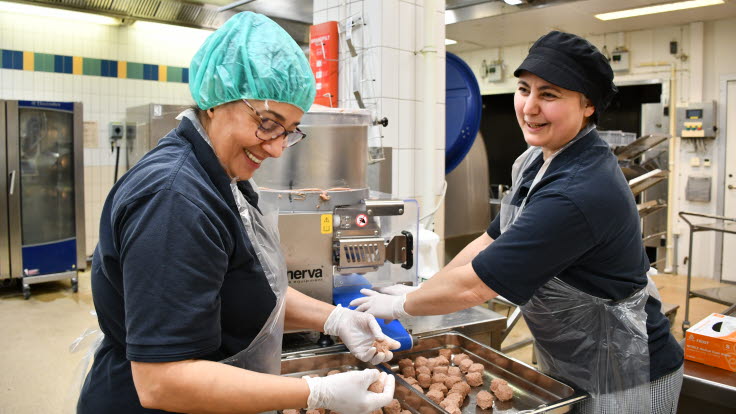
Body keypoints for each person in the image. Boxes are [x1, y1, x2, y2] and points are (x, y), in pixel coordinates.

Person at [78, 12, 397, 414]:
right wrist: (315, 393)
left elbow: (242, 285)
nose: (278, 148)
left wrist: (334, 319)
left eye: (290, 131)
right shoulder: (175, 199)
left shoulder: (221, 176)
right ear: (214, 101)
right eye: (267, 123)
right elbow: (162, 382)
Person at [351, 31, 684, 413]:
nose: (529, 107)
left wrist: (403, 306)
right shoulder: (539, 161)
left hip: (629, 374)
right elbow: (488, 242)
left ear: (588, 104)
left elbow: (476, 286)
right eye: (524, 89)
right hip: (573, 358)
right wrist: (423, 288)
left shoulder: (579, 191)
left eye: (549, 95)